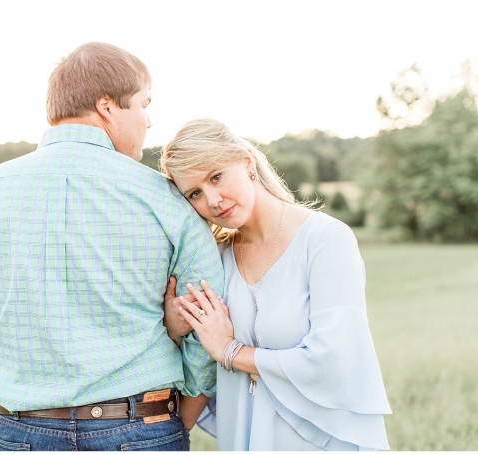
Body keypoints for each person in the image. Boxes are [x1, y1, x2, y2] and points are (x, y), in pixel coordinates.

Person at [0, 43, 223, 451]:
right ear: (107, 107)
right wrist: (178, 421)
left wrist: (13, 414)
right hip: (144, 428)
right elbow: (207, 318)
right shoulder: (165, 200)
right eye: (143, 105)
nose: (149, 121)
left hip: (23, 431)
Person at [160, 118, 392, 450]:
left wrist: (230, 351)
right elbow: (195, 362)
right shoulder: (216, 260)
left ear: (246, 161)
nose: (212, 200)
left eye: (216, 176)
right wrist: (174, 327)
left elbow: (336, 361)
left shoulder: (326, 239)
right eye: (195, 193)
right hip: (246, 438)